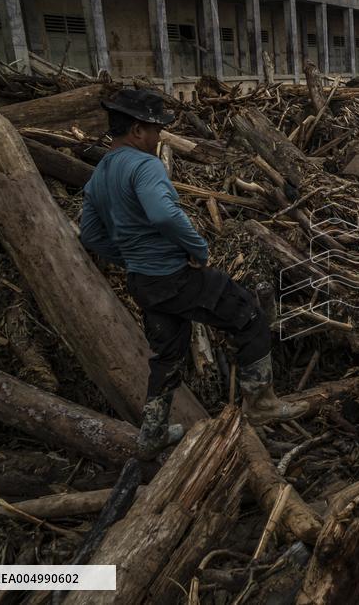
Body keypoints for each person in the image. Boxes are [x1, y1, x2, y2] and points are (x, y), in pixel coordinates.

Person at [80, 89, 303, 459]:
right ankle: (261, 402)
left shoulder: (102, 171)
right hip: (173, 275)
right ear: (137, 130)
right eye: (155, 130)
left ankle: (152, 432)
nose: (159, 137)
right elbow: (164, 214)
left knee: (167, 352)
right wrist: (197, 249)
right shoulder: (143, 165)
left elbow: (89, 233)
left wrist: (129, 257)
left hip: (143, 282)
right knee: (247, 314)